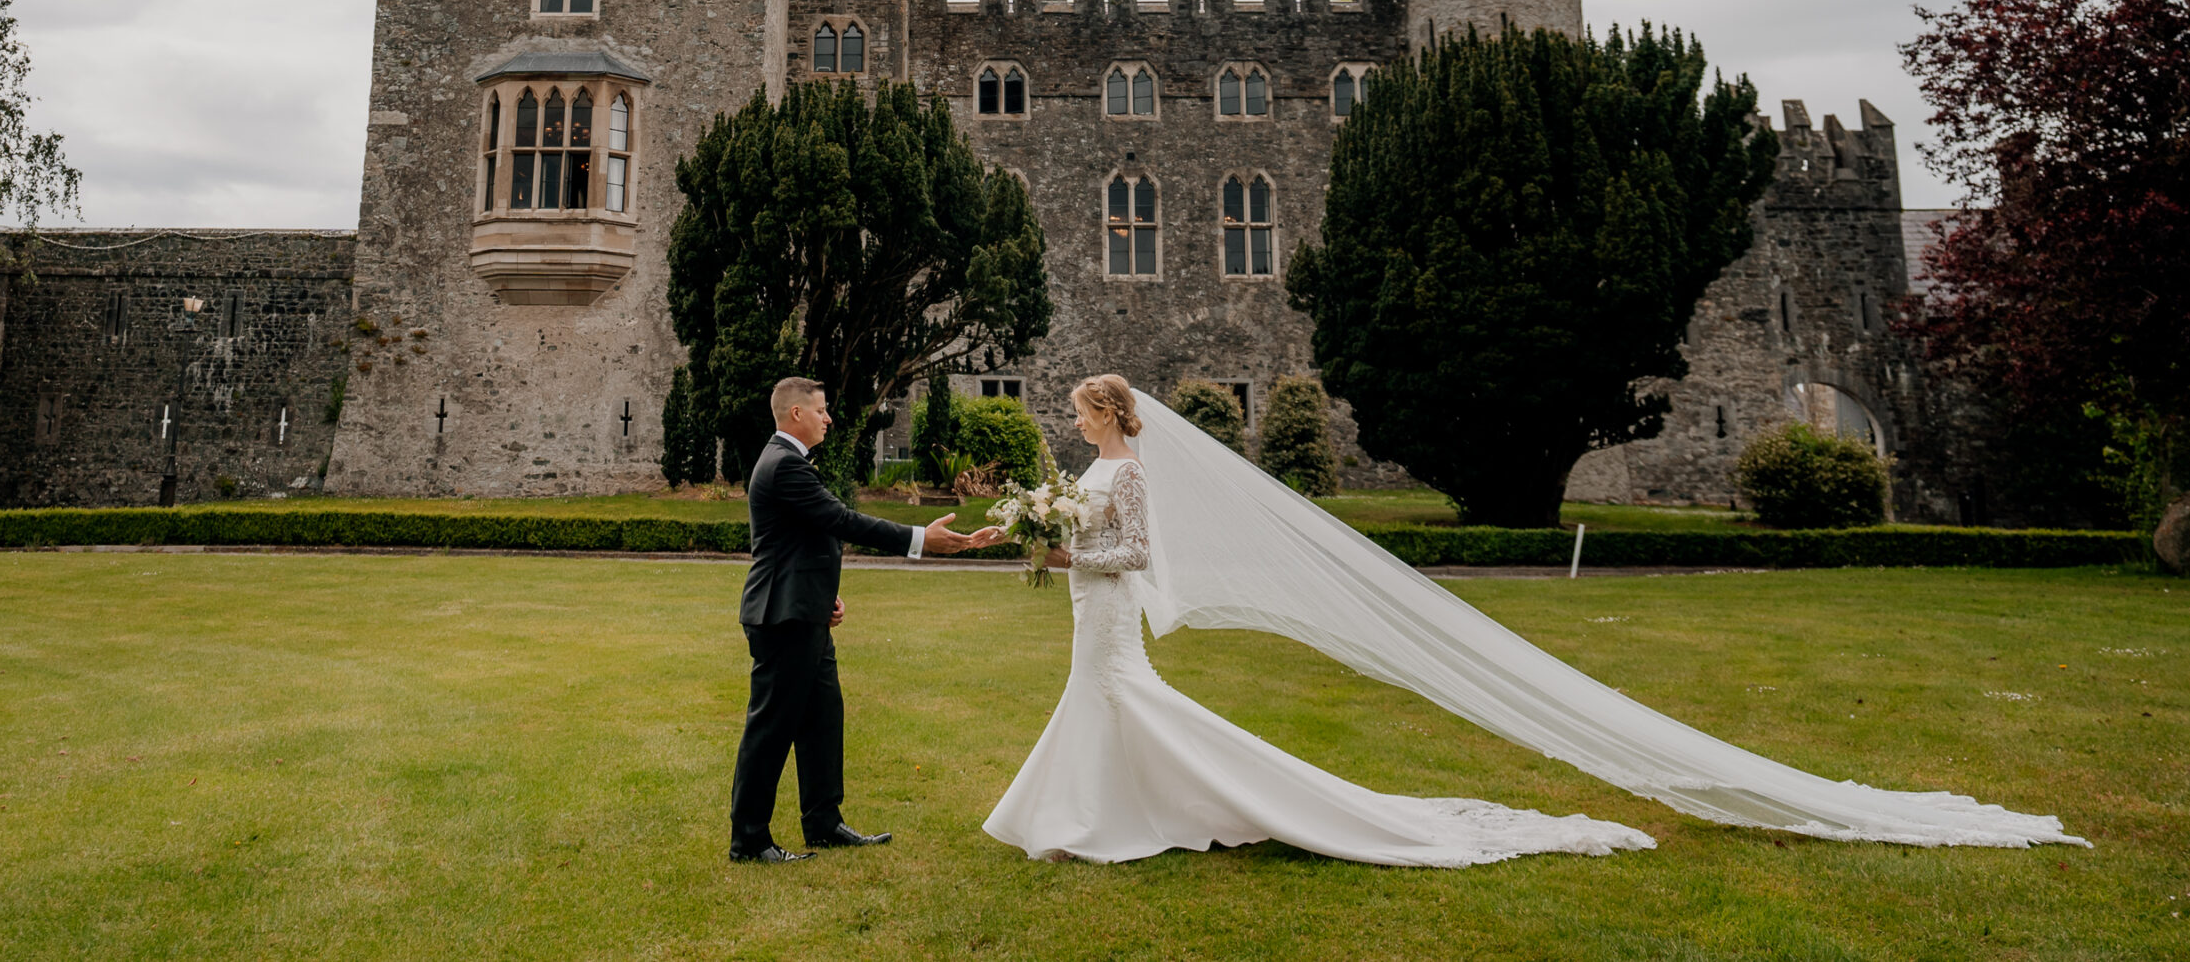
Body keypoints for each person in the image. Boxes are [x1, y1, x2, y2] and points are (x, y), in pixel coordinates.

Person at [985, 377, 2083, 863]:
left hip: (1105, 606)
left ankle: (1169, 809)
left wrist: (1065, 542)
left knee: (1129, 700)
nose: (1070, 420)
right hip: (1094, 612)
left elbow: (1134, 547)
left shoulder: (1123, 476)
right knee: (1115, 704)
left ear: (1107, 414)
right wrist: (1052, 529)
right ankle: (1104, 815)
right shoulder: (1091, 466)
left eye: (1079, 409)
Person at [730, 375, 1003, 864]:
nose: (829, 418)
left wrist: (823, 596)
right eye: (822, 410)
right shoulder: (784, 465)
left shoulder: (790, 461)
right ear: (797, 414)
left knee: (821, 721)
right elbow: (842, 520)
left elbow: (809, 537)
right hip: (781, 616)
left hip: (803, 610)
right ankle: (749, 841)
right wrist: (921, 539)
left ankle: (824, 823)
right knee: (771, 729)